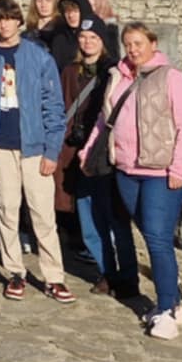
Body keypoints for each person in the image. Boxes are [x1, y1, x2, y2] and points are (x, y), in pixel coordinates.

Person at [82, 22, 182, 338]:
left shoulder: (172, 78)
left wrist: (180, 169)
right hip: (127, 170)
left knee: (158, 238)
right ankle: (172, 302)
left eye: (138, 43)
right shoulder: (118, 77)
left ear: (153, 44)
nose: (133, 50)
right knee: (149, 235)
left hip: (161, 171)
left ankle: (166, 310)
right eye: (128, 44)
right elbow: (105, 119)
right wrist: (89, 150)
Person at [0, 0, 72, 304]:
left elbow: (53, 106)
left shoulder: (38, 56)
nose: (4, 24)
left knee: (43, 214)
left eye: (9, 18)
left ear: (18, 21)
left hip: (34, 146)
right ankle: (15, 271)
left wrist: (52, 150)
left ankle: (54, 277)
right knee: (7, 210)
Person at [60, 16, 135, 297]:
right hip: (79, 154)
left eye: (93, 37)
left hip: (106, 153)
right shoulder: (71, 71)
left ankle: (127, 278)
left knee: (115, 220)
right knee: (88, 218)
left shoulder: (114, 72)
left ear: (103, 41)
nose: (87, 42)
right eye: (83, 37)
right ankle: (107, 272)